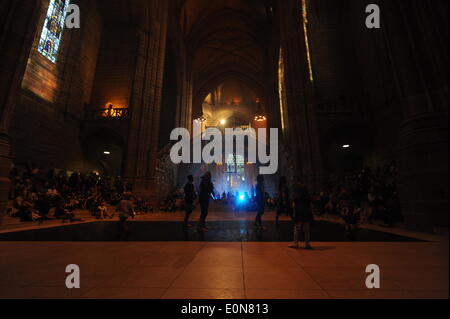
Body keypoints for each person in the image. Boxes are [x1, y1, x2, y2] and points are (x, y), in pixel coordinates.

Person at [290, 181, 314, 250]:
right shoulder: (307, 196)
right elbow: (310, 206)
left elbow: (294, 205)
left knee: (297, 229)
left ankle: (296, 243)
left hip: (299, 214)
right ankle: (307, 244)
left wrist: (294, 214)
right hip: (306, 214)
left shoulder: (296, 196)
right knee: (306, 230)